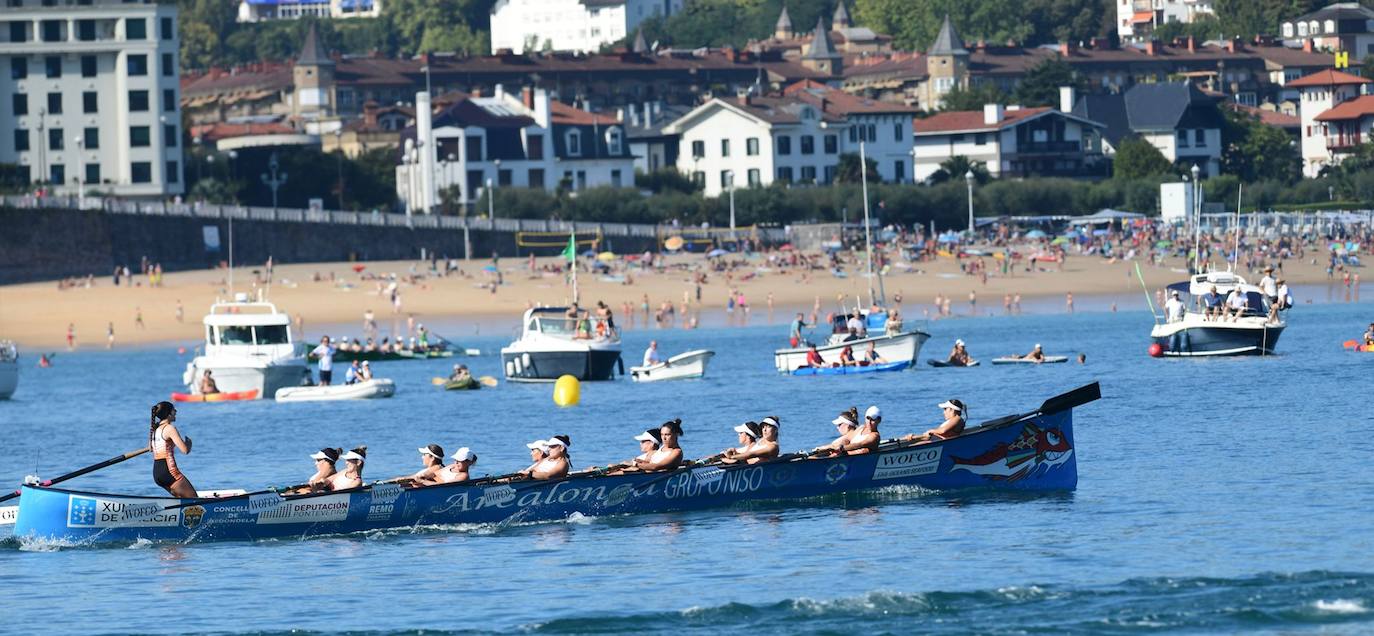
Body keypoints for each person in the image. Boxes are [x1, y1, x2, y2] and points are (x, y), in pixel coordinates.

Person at [149, 401, 196, 497]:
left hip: (157, 473)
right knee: (195, 501)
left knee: (182, 501)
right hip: (169, 471)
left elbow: (150, 448)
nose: (176, 411)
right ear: (168, 413)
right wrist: (189, 444)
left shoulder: (155, 429)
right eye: (174, 410)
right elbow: (185, 450)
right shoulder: (170, 428)